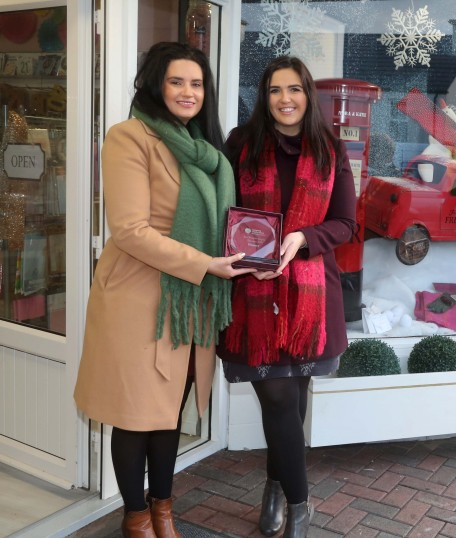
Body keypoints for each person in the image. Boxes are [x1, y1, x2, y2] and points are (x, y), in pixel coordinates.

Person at [74, 42, 255, 537]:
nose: (187, 92)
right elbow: (130, 231)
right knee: (135, 414)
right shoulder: (129, 138)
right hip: (139, 299)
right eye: (177, 81)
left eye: (196, 83)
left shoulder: (205, 148)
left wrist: (249, 256)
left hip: (188, 301)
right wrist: (207, 264)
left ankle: (163, 509)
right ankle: (136, 518)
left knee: (168, 410)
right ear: (157, 84)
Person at [218, 56, 357, 538]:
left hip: (310, 299)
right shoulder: (241, 144)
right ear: (265, 96)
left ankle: (277, 485)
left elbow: (345, 223)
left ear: (308, 95)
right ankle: (300, 505)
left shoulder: (329, 150)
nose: (285, 99)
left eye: (294, 89)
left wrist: (301, 239)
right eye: (275, 90)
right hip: (252, 295)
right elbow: (222, 207)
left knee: (293, 398)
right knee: (277, 396)